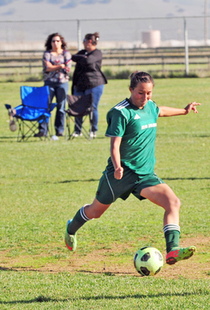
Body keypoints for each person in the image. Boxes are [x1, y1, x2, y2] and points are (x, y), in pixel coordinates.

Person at [64, 71, 200, 267]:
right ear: (130, 90)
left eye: (149, 93)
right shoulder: (120, 112)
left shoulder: (150, 106)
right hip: (119, 175)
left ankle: (172, 250)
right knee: (95, 211)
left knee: (173, 202)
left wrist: (184, 110)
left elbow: (160, 110)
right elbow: (114, 145)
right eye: (140, 93)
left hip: (144, 175)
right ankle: (71, 228)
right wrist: (118, 166)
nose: (145, 98)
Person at [71, 32, 108, 138]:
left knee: (92, 107)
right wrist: (82, 56)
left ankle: (93, 130)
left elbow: (88, 60)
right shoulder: (83, 52)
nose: (83, 43)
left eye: (84, 41)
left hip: (95, 84)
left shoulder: (97, 53)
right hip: (80, 85)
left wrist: (82, 57)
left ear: (89, 42)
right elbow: (73, 57)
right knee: (77, 107)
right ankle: (77, 131)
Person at [37, 33, 71, 138]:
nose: (55, 43)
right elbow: (47, 68)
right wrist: (59, 66)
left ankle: (59, 130)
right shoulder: (47, 54)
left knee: (61, 107)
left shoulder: (66, 54)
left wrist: (53, 66)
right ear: (50, 43)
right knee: (45, 106)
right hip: (49, 82)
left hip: (62, 83)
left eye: (57, 41)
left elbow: (67, 69)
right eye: (53, 41)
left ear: (61, 42)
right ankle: (43, 130)